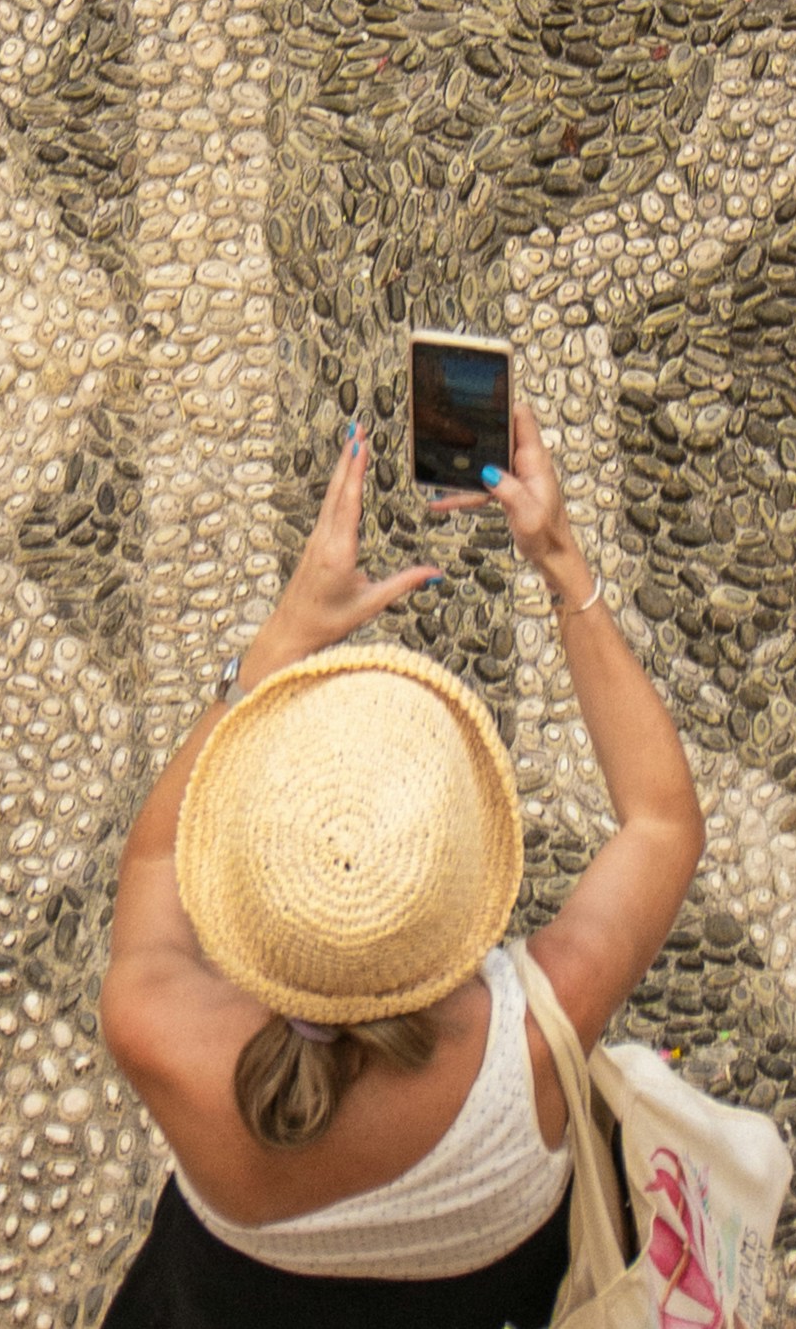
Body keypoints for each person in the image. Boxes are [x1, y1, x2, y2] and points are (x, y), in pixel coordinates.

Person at [94, 410, 698, 1322]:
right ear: (459, 893)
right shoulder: (533, 1041)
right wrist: (564, 564)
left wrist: (280, 640)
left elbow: (154, 853)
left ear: (254, 896)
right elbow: (660, 822)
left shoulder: (152, 1027)